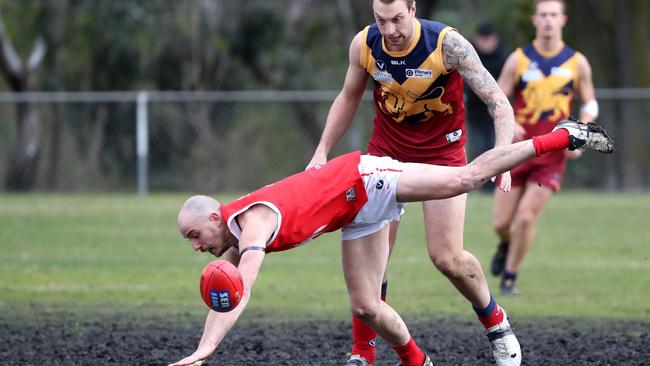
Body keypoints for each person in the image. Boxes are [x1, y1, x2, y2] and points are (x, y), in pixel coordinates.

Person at [168, 119, 614, 366]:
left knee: (466, 177)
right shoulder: (232, 234)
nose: (195, 246)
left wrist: (210, 346)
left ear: (214, 216)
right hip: (352, 212)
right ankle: (417, 362)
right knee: (366, 305)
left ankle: (562, 135)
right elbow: (225, 299)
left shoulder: (254, 223)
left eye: (194, 235)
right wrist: (204, 349)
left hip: (366, 178)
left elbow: (241, 286)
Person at [305, 0, 517, 365]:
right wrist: (321, 151)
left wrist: (503, 159)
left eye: (397, 19)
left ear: (413, 9)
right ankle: (363, 354)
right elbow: (348, 97)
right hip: (384, 156)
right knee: (373, 263)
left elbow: (498, 103)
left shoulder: (448, 45)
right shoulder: (365, 44)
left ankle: (497, 325)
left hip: (442, 155)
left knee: (447, 257)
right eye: (381, 20)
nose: (390, 30)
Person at [490, 0, 600, 296]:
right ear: (535, 20)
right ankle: (505, 243)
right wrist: (509, 124)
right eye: (543, 15)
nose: (548, 20)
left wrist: (582, 133)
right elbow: (497, 96)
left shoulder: (577, 62)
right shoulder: (518, 59)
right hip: (518, 151)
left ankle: (510, 278)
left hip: (551, 154)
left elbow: (589, 103)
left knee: (526, 218)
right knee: (501, 223)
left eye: (554, 15)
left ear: (562, 20)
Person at [465, 22, 510, 192]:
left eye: (488, 39)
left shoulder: (504, 57)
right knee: (479, 146)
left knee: (495, 145)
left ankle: (494, 184)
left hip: (497, 111)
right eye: (482, 40)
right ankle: (481, 184)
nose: (486, 43)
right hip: (475, 112)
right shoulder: (468, 55)